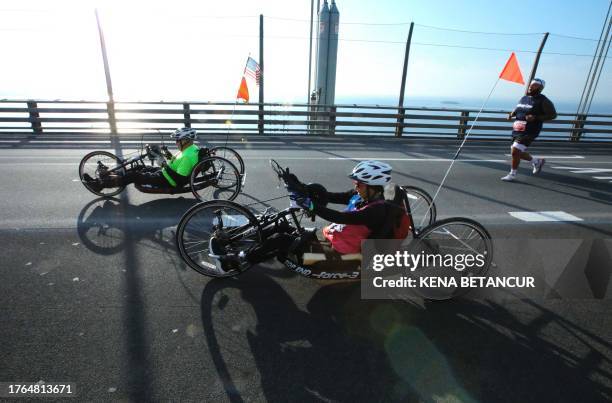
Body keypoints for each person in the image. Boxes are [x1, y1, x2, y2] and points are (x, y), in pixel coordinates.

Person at [210, 160, 412, 271]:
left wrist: (310, 205)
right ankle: (235, 241)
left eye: (358, 183)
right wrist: (303, 188)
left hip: (341, 258)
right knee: (282, 225)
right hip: (333, 243)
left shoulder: (376, 210)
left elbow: (340, 218)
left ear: (372, 186)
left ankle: (234, 261)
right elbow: (331, 196)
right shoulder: (362, 197)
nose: (355, 186)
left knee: (282, 240)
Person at [84, 127, 200, 191]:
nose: (176, 142)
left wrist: (164, 165)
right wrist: (166, 153)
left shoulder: (187, 157)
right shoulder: (191, 149)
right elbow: (176, 162)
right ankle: (107, 176)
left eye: (177, 140)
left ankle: (100, 185)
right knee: (139, 167)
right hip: (165, 173)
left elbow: (178, 180)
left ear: (185, 140)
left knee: (134, 176)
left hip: (167, 180)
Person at [501, 78, 557, 182]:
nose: (531, 86)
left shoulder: (544, 101)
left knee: (515, 151)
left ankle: (512, 174)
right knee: (517, 153)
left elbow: (553, 115)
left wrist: (536, 117)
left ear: (540, 88)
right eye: (531, 84)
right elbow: (519, 108)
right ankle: (537, 162)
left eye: (535, 85)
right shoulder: (524, 98)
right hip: (517, 129)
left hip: (530, 130)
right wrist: (511, 114)